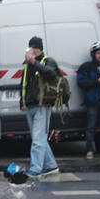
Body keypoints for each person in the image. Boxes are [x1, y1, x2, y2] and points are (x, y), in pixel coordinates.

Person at [19, 36, 61, 178]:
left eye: (33, 47)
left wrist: (34, 62)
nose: (31, 50)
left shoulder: (48, 61)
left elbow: (51, 74)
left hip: (43, 105)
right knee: (39, 138)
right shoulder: (28, 64)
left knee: (38, 139)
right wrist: (22, 102)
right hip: (30, 105)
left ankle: (35, 169)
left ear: (38, 48)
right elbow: (24, 83)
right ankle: (50, 166)